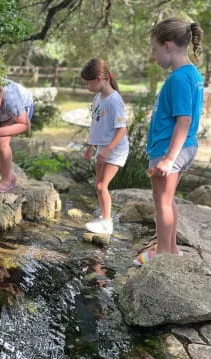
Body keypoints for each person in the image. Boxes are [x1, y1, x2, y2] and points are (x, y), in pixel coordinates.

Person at [134, 18, 203, 265]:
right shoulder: (191, 74)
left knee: (161, 201)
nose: (153, 56)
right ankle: (170, 249)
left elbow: (183, 120)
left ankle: (163, 254)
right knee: (167, 199)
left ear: (167, 46)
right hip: (181, 147)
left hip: (170, 149)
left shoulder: (178, 78)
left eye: (153, 49)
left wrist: (168, 159)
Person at [81, 58, 129, 235]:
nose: (87, 87)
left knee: (102, 186)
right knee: (98, 185)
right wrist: (90, 146)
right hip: (102, 147)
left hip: (115, 148)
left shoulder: (114, 101)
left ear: (99, 79)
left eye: (88, 83)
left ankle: (107, 223)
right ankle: (104, 217)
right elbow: (96, 125)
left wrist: (108, 149)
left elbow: (122, 129)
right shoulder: (98, 98)